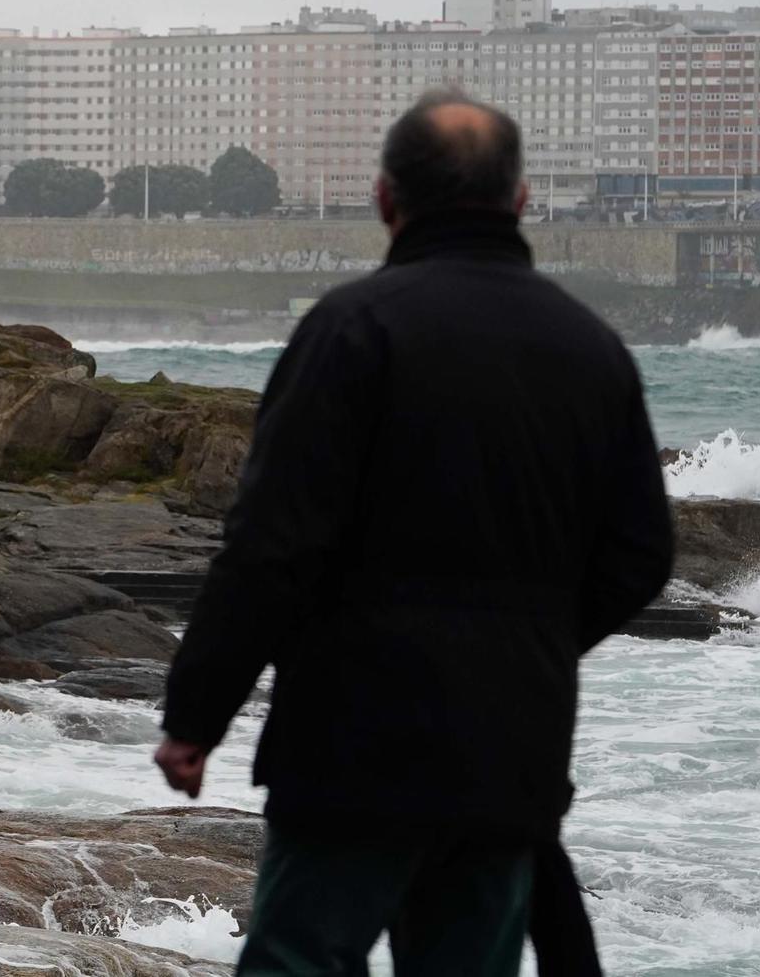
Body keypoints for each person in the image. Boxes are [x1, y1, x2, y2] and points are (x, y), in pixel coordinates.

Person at [155, 92, 674, 977]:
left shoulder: (354, 329)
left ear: (385, 199)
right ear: (520, 200)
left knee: (297, 963)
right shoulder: (591, 348)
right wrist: (527, 638)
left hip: (353, 746)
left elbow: (272, 546)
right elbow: (642, 553)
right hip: (509, 750)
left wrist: (195, 717)